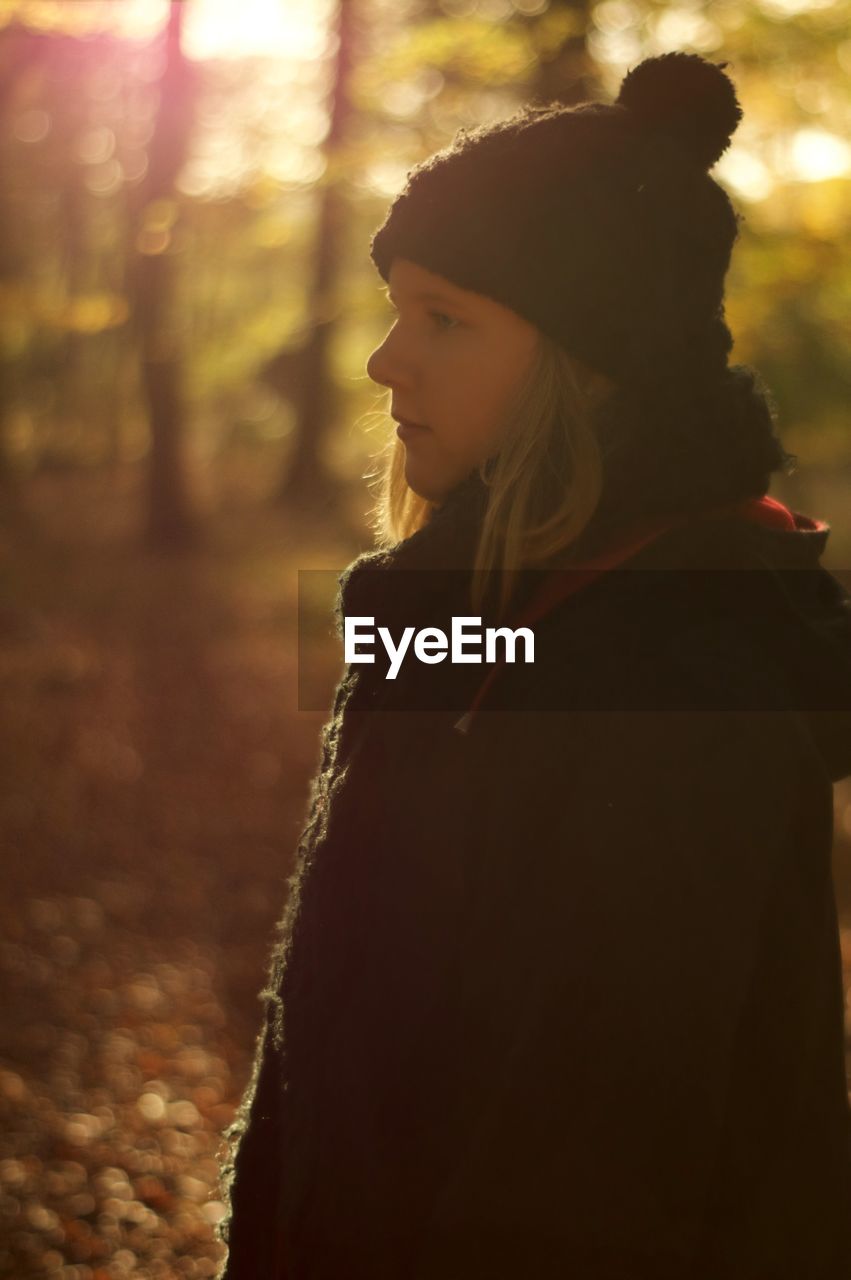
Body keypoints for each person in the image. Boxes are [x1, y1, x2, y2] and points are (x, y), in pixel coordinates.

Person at [216, 52, 851, 1279]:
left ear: (593, 364)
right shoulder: (474, 613)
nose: (383, 362)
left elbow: (584, 1190)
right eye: (397, 308)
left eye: (444, 317)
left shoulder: (673, 679)